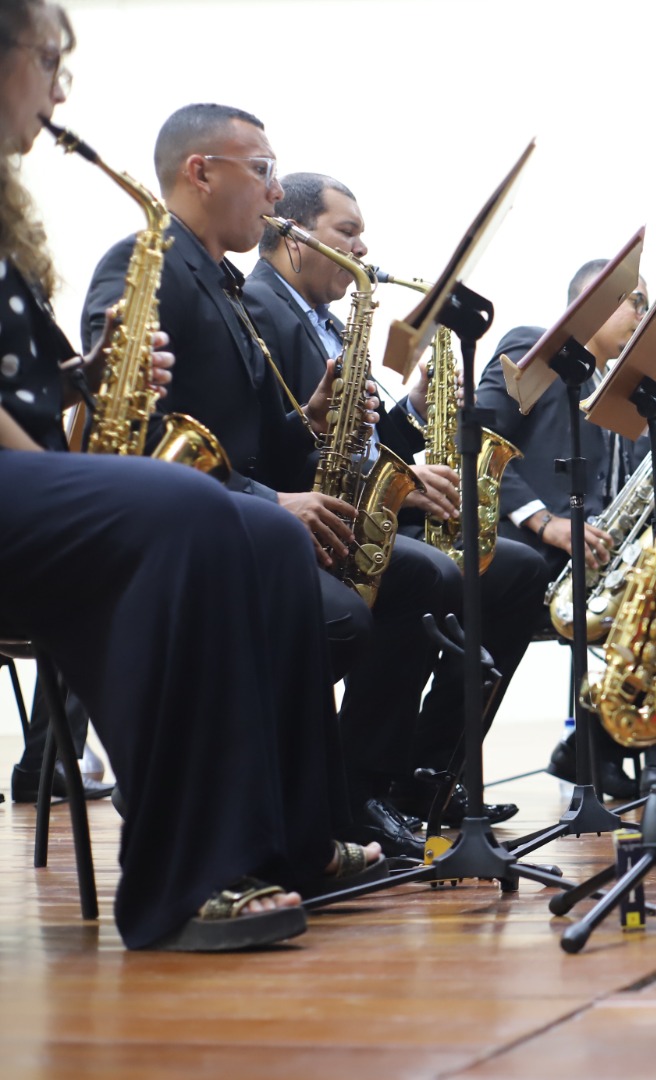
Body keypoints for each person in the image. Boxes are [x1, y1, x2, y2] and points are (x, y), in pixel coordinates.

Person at [0, 0, 379, 950]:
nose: (59, 87)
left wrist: (76, 383)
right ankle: (184, 879)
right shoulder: (150, 257)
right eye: (49, 57)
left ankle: (297, 836)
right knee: (193, 507)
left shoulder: (222, 285)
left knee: (260, 537)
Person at [81, 104, 434, 856]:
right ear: (201, 172)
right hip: (187, 525)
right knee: (339, 618)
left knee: (413, 584)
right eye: (264, 172)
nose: (277, 196)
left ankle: (345, 798)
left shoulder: (225, 283)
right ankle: (256, 810)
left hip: (236, 510)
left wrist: (307, 417)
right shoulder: (143, 263)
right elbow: (134, 437)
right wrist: (273, 501)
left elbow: (246, 434)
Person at [242, 171, 548, 827]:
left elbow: (357, 435)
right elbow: (282, 444)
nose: (360, 249)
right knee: (421, 574)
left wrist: (411, 469)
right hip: (304, 520)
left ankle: (430, 768)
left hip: (350, 513)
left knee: (519, 571)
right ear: (294, 235)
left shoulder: (323, 320)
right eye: (346, 232)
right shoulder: (261, 307)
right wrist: (403, 493)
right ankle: (361, 789)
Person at [477, 261, 656, 795]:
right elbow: (482, 444)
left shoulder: (619, 387)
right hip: (531, 549)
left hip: (598, 550)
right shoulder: (533, 344)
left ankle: (602, 753)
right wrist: (544, 521)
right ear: (590, 301)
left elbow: (619, 490)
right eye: (636, 302)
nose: (645, 315)